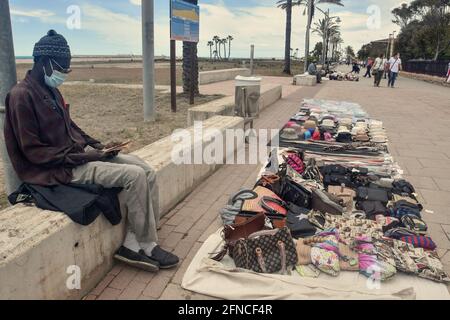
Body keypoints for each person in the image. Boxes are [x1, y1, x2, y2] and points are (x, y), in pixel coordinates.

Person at [3, 30, 179, 272]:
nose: (64, 74)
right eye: (62, 69)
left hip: (77, 156)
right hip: (58, 171)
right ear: (44, 63)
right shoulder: (20, 96)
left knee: (146, 170)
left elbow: (70, 126)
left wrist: (98, 145)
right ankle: (147, 244)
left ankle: (133, 241)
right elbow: (35, 154)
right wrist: (89, 156)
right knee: (133, 176)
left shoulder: (50, 90)